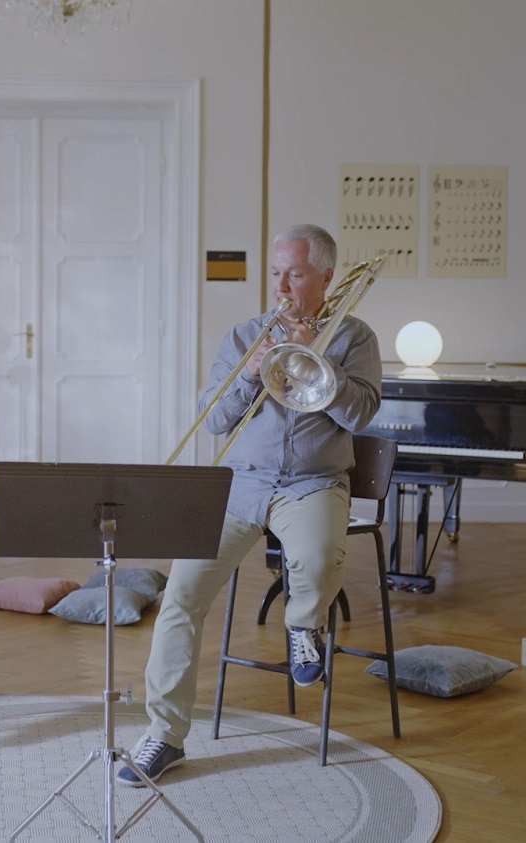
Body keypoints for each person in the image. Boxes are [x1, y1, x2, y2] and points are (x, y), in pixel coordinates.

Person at [118, 223, 382, 786]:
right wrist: (252, 372)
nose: (281, 286)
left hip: (313, 483)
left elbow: (361, 414)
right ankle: (165, 735)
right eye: (276, 272)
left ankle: (304, 626)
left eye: (295, 274)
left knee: (317, 557)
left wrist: (319, 362)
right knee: (180, 597)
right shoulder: (244, 336)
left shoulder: (355, 337)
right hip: (241, 485)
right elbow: (213, 419)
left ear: (326, 277)